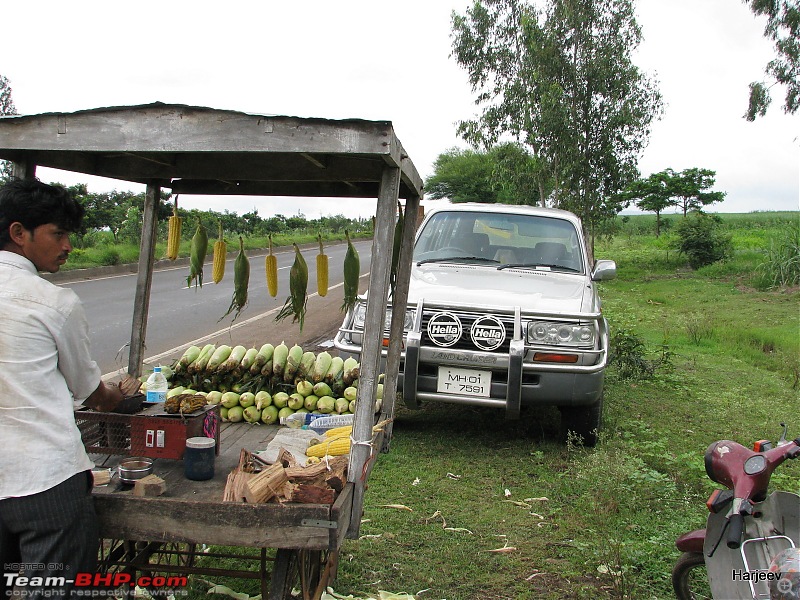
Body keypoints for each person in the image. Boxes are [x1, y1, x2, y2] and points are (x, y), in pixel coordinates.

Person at [0, 178, 124, 598]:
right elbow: (91, 392)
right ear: (19, 233)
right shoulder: (53, 302)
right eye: (58, 233)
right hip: (45, 484)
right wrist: (119, 397)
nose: (68, 245)